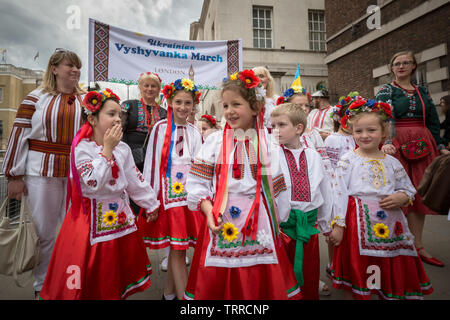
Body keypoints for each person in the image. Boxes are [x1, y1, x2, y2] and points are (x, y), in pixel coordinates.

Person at [183, 69, 301, 300]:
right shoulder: (215, 142)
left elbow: (277, 190)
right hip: (221, 218)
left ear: (255, 107)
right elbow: (198, 183)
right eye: (225, 106)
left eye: (236, 104)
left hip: (260, 223)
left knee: (258, 278)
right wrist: (208, 211)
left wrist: (278, 221)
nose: (229, 111)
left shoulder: (267, 143)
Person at [38, 89, 160, 299]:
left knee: (115, 274)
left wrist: (150, 203)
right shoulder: (82, 148)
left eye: (119, 115)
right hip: (88, 226)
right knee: (88, 277)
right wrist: (107, 150)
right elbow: (92, 183)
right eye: (111, 114)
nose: (117, 119)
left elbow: (134, 179)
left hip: (120, 223)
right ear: (93, 119)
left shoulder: (123, 149)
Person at [2, 49, 85, 299]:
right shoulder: (35, 99)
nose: (74, 70)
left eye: (77, 66)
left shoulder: (86, 100)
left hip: (74, 174)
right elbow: (18, 136)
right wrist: (14, 176)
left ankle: (69, 284)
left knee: (72, 231)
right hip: (41, 173)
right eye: (69, 65)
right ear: (54, 68)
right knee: (45, 232)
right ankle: (42, 287)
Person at [331, 97, 433, 300]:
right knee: (367, 262)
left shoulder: (393, 162)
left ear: (384, 132)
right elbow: (339, 192)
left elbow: (408, 188)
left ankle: (387, 290)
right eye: (359, 131)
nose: (365, 135)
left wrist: (402, 196)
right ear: (352, 132)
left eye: (371, 130)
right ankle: (368, 291)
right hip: (358, 224)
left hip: (392, 224)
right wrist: (338, 225)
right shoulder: (347, 160)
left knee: (390, 259)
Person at [376, 51, 449, 267]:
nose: (401, 66)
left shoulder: (422, 91)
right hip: (395, 143)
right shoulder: (387, 90)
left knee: (418, 192)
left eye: (406, 62)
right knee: (397, 193)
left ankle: (417, 245)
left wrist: (440, 145)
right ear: (392, 68)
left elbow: (433, 120)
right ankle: (396, 244)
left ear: (414, 66)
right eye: (396, 63)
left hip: (423, 142)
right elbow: (383, 117)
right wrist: (386, 141)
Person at [138, 78, 203, 300]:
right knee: (177, 248)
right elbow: (151, 165)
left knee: (180, 248)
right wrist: (150, 200)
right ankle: (186, 299)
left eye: (188, 103)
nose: (183, 107)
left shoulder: (195, 131)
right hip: (168, 197)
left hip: (188, 196)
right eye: (178, 102)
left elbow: (201, 166)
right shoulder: (159, 128)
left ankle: (168, 294)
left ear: (194, 105)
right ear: (169, 102)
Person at [270, 103, 336, 300]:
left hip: (308, 228)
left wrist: (327, 225)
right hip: (282, 228)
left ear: (299, 128)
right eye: (272, 126)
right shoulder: (271, 154)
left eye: (281, 125)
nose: (275, 130)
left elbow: (324, 191)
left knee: (308, 272)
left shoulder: (314, 156)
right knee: (281, 277)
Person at [121, 72, 167, 172]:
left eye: (153, 86)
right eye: (146, 85)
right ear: (140, 87)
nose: (150, 89)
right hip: (128, 155)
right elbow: (119, 129)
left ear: (158, 90)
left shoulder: (164, 112)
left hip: (154, 157)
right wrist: (125, 154)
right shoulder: (128, 105)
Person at [324, 92, 358, 169]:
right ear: (339, 119)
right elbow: (330, 166)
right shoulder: (333, 139)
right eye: (350, 118)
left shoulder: (358, 137)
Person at [252, 66, 279, 131]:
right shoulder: (246, 99)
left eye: (261, 76)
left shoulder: (276, 99)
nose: (258, 79)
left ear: (268, 80)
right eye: (255, 77)